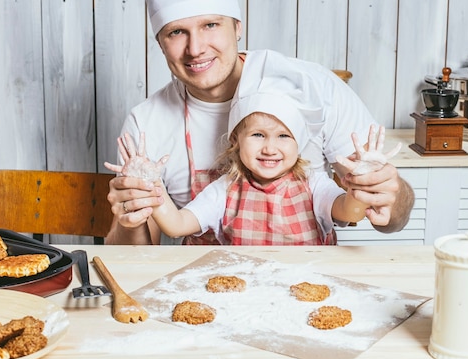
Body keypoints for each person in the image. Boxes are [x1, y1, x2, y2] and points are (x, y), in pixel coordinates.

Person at [105, 0, 415, 245]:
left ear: (237, 27)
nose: (196, 48)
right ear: (160, 43)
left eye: (210, 25)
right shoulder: (145, 126)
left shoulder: (313, 87)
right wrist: (130, 217)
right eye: (176, 32)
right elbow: (139, 253)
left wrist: (389, 194)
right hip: (210, 285)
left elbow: (381, 213)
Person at [105, 89, 397, 245]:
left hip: (307, 288)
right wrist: (150, 184)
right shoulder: (225, 191)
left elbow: (351, 211)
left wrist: (361, 182)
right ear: (236, 141)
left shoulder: (314, 184)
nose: (270, 147)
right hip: (241, 293)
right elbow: (177, 226)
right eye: (258, 135)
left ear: (300, 145)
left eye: (284, 136)